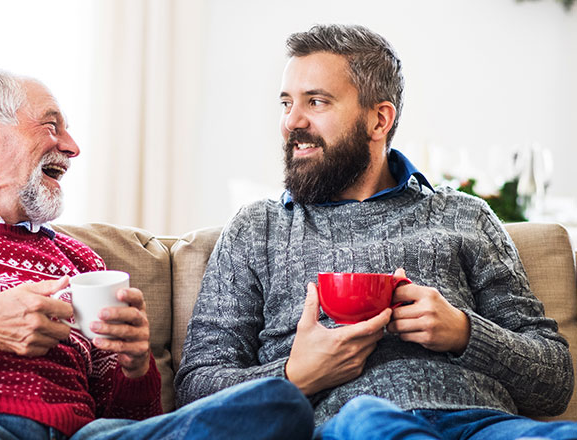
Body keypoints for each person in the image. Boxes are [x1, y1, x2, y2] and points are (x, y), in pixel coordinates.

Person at [0, 71, 315, 440]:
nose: (72, 146)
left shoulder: (81, 260)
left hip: (86, 433)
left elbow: (128, 418)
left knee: (277, 405)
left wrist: (135, 367)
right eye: (51, 125)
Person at [174, 24, 577, 440]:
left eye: (316, 101)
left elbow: (554, 382)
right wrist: (295, 373)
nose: (291, 121)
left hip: (486, 425)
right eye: (285, 103)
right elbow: (195, 390)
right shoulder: (258, 229)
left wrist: (464, 332)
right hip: (354, 424)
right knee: (371, 419)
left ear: (379, 119)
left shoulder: (465, 215)